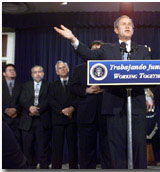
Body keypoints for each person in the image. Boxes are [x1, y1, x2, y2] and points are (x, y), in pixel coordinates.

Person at [55, 15, 151, 169]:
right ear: (115, 30)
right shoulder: (106, 49)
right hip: (113, 106)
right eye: (123, 24)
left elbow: (149, 73)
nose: (127, 26)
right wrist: (73, 39)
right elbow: (88, 55)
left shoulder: (143, 50)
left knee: (138, 148)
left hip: (136, 105)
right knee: (116, 150)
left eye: (130, 24)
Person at [69, 40, 111, 169]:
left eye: (99, 50)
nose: (96, 53)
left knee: (108, 148)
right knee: (87, 149)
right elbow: (72, 87)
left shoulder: (110, 68)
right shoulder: (80, 69)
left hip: (106, 113)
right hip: (86, 114)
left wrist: (105, 88)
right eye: (94, 50)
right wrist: (86, 90)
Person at [19, 65, 51, 169]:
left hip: (42, 120)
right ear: (32, 74)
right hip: (27, 120)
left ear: (43, 73)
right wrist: (30, 108)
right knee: (27, 148)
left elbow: (48, 100)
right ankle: (29, 167)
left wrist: (38, 110)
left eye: (39, 72)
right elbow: (22, 99)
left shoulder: (49, 85)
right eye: (35, 72)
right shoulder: (25, 85)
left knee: (43, 148)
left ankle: (44, 168)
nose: (37, 74)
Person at [49, 61, 78, 169]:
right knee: (57, 147)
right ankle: (56, 168)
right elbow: (51, 100)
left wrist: (71, 108)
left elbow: (78, 98)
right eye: (60, 68)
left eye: (64, 67)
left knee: (73, 147)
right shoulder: (53, 85)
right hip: (58, 120)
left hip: (72, 119)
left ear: (68, 69)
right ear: (57, 72)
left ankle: (74, 168)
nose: (63, 69)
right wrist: (62, 110)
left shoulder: (75, 84)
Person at [2, 64, 23, 146]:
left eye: (13, 70)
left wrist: (16, 110)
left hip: (17, 120)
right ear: (4, 73)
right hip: (3, 119)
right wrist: (5, 110)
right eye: (9, 70)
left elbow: (23, 101)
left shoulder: (21, 86)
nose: (12, 72)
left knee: (18, 144)